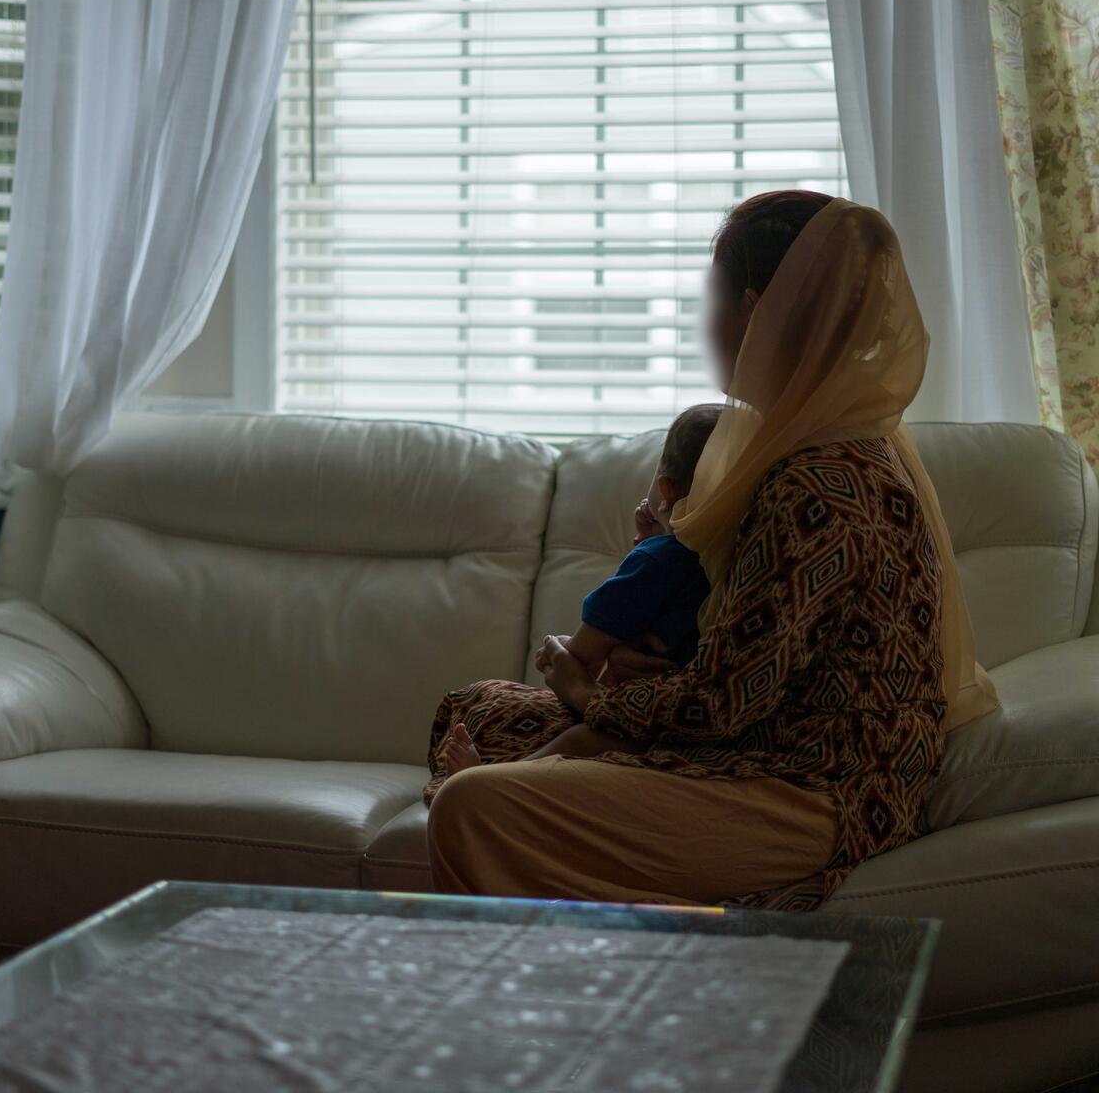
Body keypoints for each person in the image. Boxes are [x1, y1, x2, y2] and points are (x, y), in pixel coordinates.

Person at [425, 191, 998, 910]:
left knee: (472, 807)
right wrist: (649, 670)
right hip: (748, 743)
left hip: (806, 788)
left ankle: (577, 968)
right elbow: (751, 655)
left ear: (753, 311)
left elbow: (726, 702)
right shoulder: (809, 446)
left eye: (712, 299)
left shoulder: (820, 480)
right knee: (477, 710)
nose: (706, 324)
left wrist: (588, 694)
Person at [425, 404, 721, 803]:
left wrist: (560, 650)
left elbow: (581, 656)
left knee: (581, 740)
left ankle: (495, 788)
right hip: (684, 721)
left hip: (644, 722)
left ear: (666, 490)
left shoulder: (656, 560)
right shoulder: (718, 556)